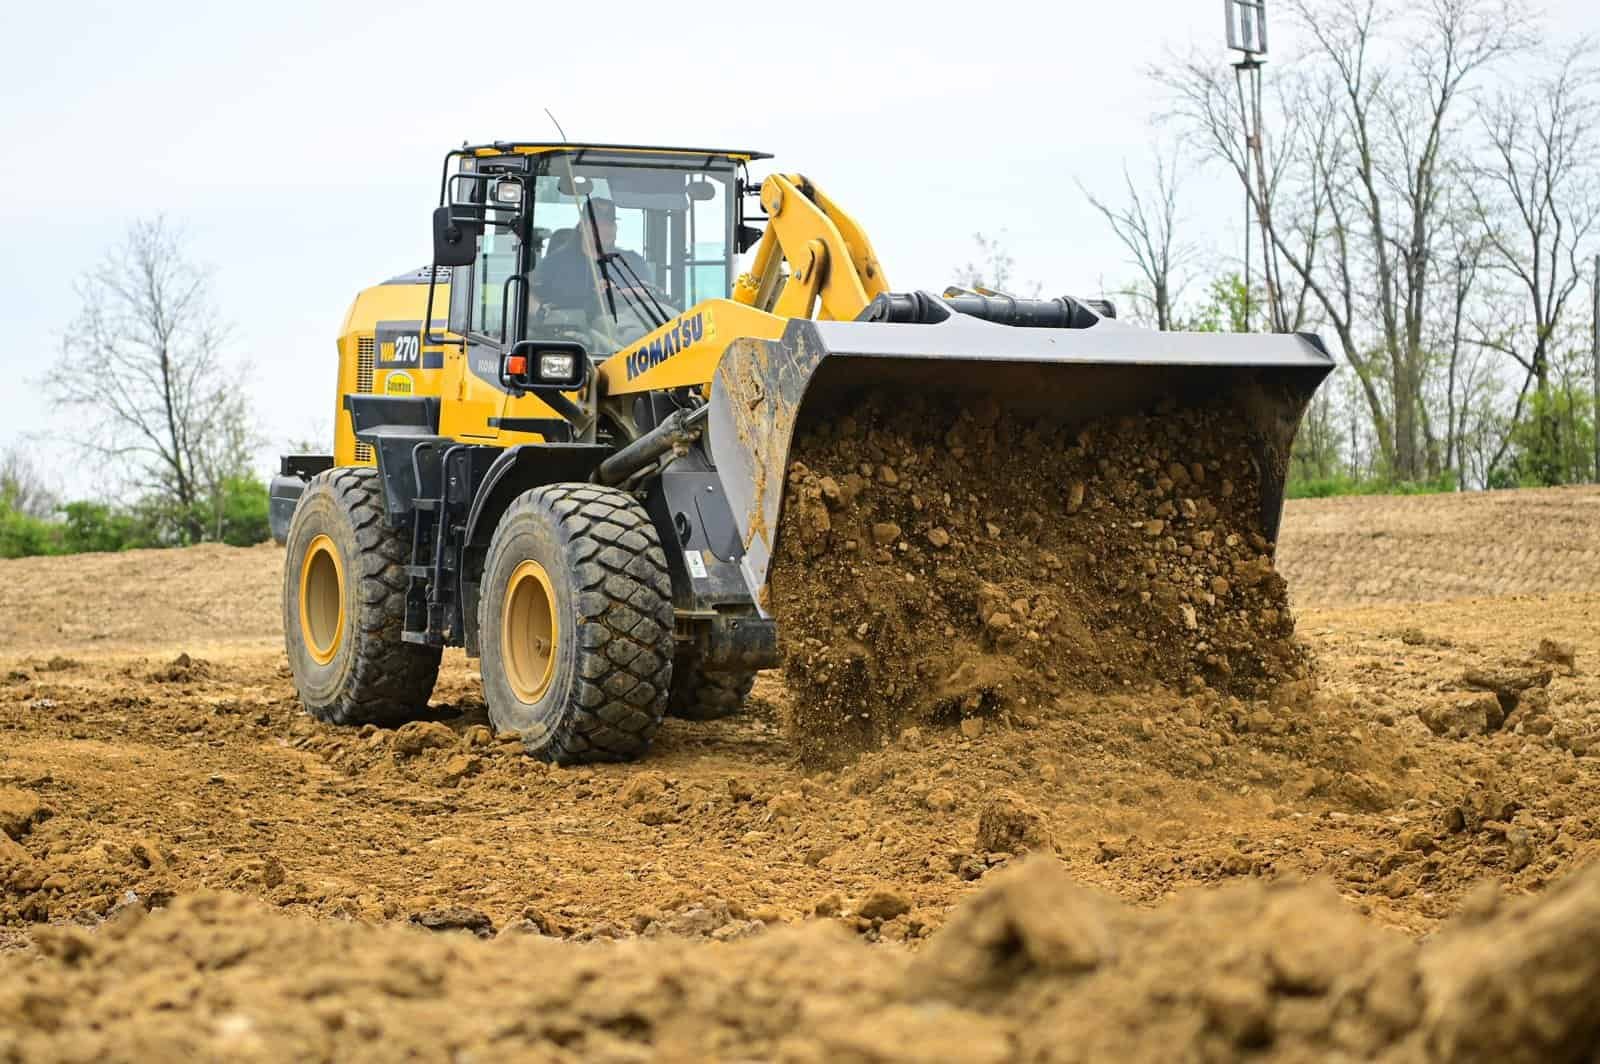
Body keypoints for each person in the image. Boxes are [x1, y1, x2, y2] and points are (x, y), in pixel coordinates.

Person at [529, 197, 656, 319]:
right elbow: (527, 294)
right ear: (581, 227)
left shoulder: (631, 262)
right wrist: (541, 314)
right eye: (598, 224)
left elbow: (649, 293)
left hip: (624, 334)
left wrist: (618, 294)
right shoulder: (554, 264)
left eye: (610, 223)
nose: (606, 229)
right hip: (567, 335)